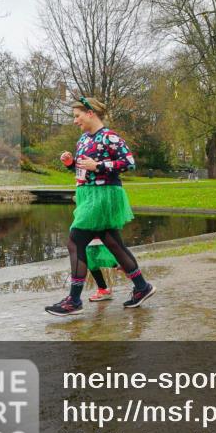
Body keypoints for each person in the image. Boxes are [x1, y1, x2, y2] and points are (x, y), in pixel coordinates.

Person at [46, 96, 155, 316]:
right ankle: (142, 287)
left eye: (77, 116)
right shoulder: (83, 139)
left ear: (90, 113)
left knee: (75, 241)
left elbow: (129, 163)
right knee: (114, 244)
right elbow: (84, 169)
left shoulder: (109, 137)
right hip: (88, 195)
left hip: (103, 196)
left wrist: (99, 165)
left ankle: (74, 300)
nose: (75, 121)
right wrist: (71, 165)